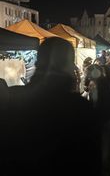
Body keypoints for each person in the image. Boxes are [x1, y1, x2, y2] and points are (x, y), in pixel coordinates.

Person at [7, 37, 99, 175]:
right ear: (68, 66)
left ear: (39, 61)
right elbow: (91, 162)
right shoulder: (79, 108)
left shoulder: (13, 98)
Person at [84, 62, 110, 176]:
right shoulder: (105, 81)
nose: (86, 75)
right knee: (108, 143)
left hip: (101, 118)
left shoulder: (95, 84)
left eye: (87, 73)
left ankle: (104, 169)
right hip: (109, 116)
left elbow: (95, 104)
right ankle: (107, 167)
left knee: (103, 145)